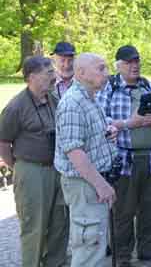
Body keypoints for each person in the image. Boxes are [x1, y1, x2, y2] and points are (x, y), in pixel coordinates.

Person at [96, 45, 151, 266]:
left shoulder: (147, 84)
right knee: (124, 211)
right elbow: (100, 120)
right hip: (124, 159)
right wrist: (130, 123)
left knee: (150, 207)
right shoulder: (108, 86)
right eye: (129, 62)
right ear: (118, 65)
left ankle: (148, 248)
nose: (134, 65)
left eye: (137, 61)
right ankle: (123, 255)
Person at [0, 56, 68, 267]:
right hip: (31, 171)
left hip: (57, 169)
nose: (54, 76)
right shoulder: (16, 107)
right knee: (34, 228)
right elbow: (3, 143)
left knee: (60, 223)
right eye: (48, 72)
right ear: (32, 77)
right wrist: (20, 168)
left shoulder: (54, 100)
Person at [55, 53, 118, 267]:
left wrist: (107, 131)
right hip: (85, 186)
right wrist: (102, 186)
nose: (107, 73)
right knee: (88, 251)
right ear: (80, 73)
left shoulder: (89, 98)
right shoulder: (73, 102)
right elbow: (74, 153)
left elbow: (85, 138)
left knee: (95, 247)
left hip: (91, 185)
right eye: (101, 68)